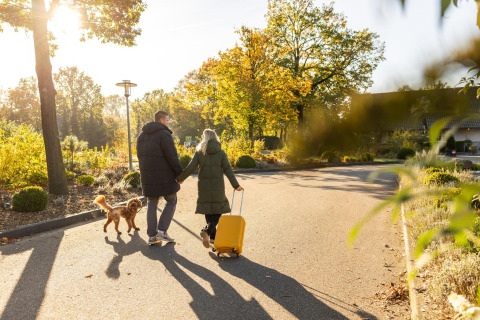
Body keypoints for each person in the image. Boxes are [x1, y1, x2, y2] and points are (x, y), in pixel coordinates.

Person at [176, 129, 243, 248]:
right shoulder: (221, 152)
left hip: (203, 186)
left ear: (204, 138)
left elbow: (191, 168)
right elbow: (228, 169)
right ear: (215, 137)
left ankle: (213, 238)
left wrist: (181, 178)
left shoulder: (199, 152)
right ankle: (207, 231)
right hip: (218, 186)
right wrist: (236, 185)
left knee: (208, 208)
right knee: (220, 207)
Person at [137, 111, 183, 245]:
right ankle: (162, 231)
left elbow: (140, 156)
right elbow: (172, 156)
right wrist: (180, 173)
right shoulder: (164, 134)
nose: (168, 122)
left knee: (152, 203)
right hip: (165, 176)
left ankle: (152, 236)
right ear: (162, 120)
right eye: (167, 120)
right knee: (171, 200)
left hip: (148, 176)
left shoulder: (142, 135)